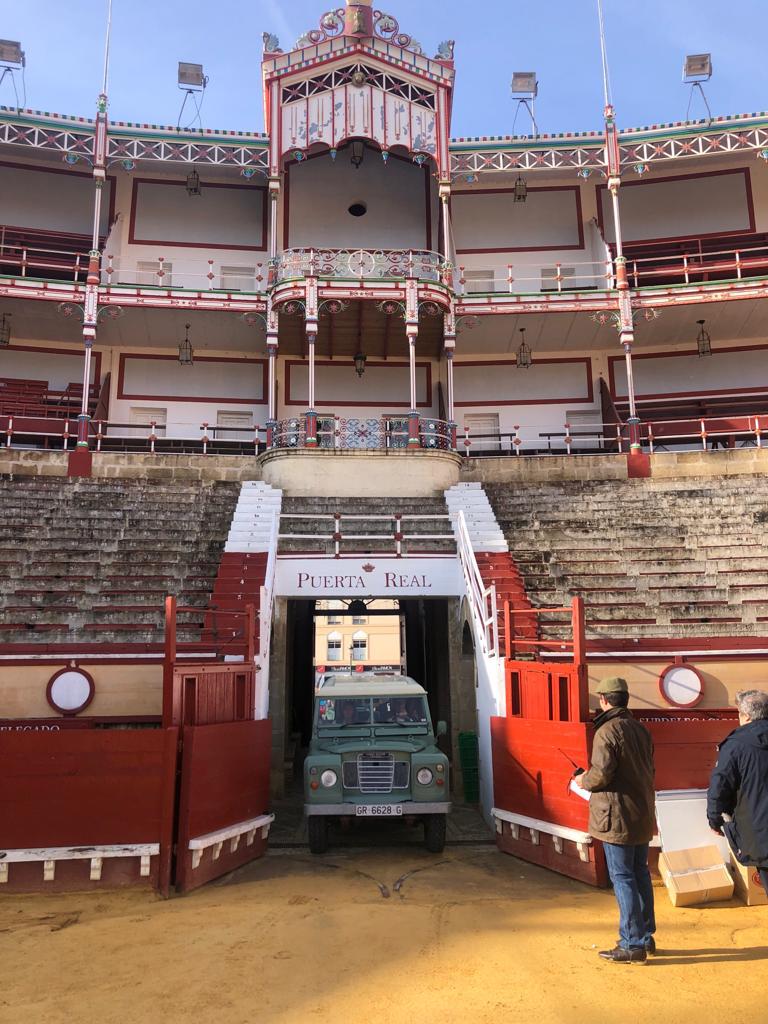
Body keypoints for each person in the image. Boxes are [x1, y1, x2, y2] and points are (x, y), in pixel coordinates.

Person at [574, 676, 656, 964]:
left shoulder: (606, 731)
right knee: (640, 873)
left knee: (622, 877)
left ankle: (632, 943)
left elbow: (601, 776)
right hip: (641, 811)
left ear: (604, 700)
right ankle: (645, 937)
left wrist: (582, 780)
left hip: (616, 815)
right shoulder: (640, 729)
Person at [707, 689, 768, 895]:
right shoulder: (736, 744)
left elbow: (720, 786)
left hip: (760, 832)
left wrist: (715, 819)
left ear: (746, 716)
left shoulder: (736, 744)